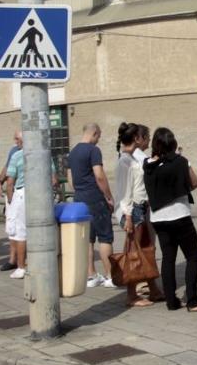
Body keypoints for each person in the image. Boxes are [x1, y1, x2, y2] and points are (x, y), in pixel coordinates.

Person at [143, 126, 197, 311]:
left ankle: (171, 300)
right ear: (173, 143)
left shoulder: (148, 165)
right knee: (193, 255)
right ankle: (192, 300)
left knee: (168, 258)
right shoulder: (181, 161)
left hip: (158, 218)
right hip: (179, 215)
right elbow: (194, 183)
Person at [116, 124, 163, 307]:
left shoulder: (131, 159)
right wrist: (128, 216)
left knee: (146, 250)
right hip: (133, 210)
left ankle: (154, 289)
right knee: (133, 253)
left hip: (139, 208)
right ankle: (131, 295)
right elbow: (125, 192)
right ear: (136, 138)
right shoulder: (125, 161)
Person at [69, 123, 116, 288]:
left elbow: (70, 181)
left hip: (79, 198)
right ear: (94, 133)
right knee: (105, 237)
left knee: (88, 239)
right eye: (99, 135)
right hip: (95, 198)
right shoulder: (93, 150)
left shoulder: (72, 152)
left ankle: (91, 275)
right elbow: (99, 175)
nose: (99, 139)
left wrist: (80, 191)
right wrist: (108, 196)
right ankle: (111, 275)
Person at [3, 137, 28, 279]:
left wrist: (11, 201)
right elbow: (54, 179)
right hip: (41, 193)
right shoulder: (45, 154)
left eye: (17, 139)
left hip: (22, 194)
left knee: (20, 232)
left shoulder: (17, 155)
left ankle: (21, 267)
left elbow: (10, 181)